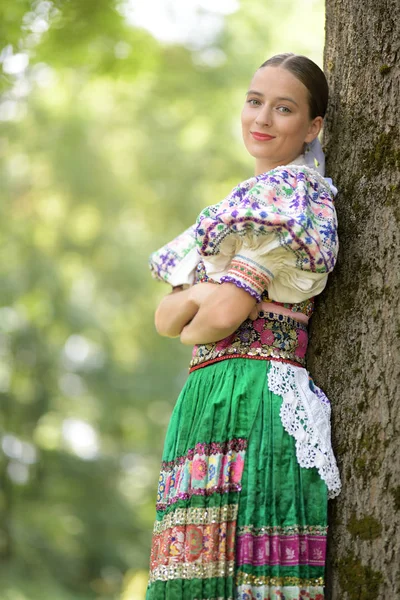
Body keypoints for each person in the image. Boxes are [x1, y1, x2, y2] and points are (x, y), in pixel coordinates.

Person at [147, 53, 341, 600]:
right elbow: (168, 320)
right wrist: (213, 295)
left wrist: (205, 297)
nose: (262, 118)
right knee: (191, 574)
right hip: (207, 394)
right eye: (255, 101)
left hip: (255, 394)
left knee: (244, 573)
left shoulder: (295, 202)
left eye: (284, 109)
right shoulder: (236, 204)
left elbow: (217, 320)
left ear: (313, 127)